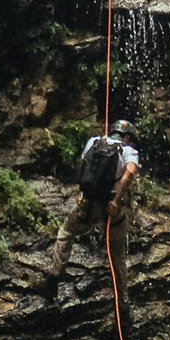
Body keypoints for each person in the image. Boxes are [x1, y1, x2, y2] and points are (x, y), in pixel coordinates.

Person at [50, 119, 140, 305]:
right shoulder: (128, 150)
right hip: (111, 209)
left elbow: (85, 165)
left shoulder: (93, 142)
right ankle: (122, 300)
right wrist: (116, 200)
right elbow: (130, 171)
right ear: (127, 137)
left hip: (88, 204)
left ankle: (54, 273)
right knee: (117, 253)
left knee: (67, 232)